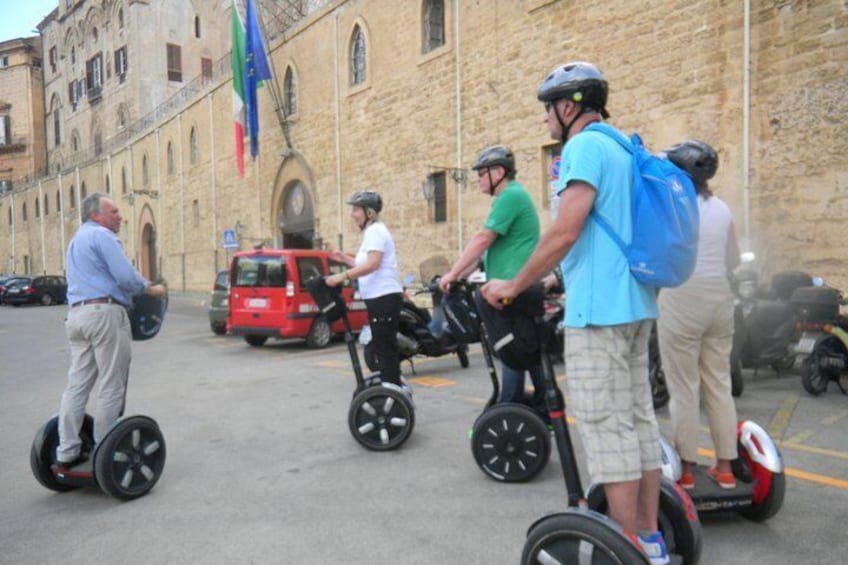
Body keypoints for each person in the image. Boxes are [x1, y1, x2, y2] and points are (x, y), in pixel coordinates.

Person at [481, 62, 668, 564]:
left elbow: (566, 230)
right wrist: (553, 279)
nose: (545, 119)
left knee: (607, 430)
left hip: (599, 314)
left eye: (548, 108)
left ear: (569, 106)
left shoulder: (582, 148)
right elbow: (602, 236)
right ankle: (650, 536)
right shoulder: (625, 147)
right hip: (635, 305)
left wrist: (515, 284)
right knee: (638, 422)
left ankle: (624, 546)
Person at [56, 193, 167, 468]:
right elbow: (126, 277)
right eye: (114, 211)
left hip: (77, 315)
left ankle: (67, 450)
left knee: (77, 386)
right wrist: (152, 288)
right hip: (104, 314)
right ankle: (104, 452)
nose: (119, 216)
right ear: (96, 216)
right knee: (111, 384)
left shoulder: (76, 241)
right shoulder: (102, 237)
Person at [657, 140, 740, 490]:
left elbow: (660, 255)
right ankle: (725, 468)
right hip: (719, 297)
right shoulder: (722, 208)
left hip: (682, 296)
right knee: (718, 383)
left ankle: (687, 470)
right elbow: (733, 259)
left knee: (683, 386)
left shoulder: (674, 207)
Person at [438, 145, 544, 407]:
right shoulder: (509, 198)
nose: (478, 179)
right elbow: (484, 255)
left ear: (498, 172)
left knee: (511, 350)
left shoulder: (510, 196)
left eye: (482, 173)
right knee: (525, 352)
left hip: (514, 290)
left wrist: (452, 273)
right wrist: (462, 272)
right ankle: (540, 407)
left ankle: (509, 408)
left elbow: (483, 238)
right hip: (513, 288)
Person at [326, 191, 404, 387]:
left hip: (383, 296)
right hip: (378, 297)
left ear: (369, 213)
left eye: (356, 209)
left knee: (385, 348)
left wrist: (341, 276)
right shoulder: (372, 232)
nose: (352, 214)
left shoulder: (375, 231)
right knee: (383, 346)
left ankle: (392, 391)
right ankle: (392, 387)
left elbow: (373, 264)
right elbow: (365, 263)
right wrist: (344, 259)